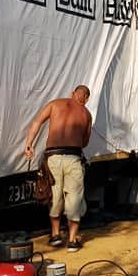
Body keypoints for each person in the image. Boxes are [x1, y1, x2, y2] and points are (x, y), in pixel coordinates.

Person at [24, 85, 92, 251]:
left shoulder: (55, 104)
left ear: (72, 93)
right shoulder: (86, 114)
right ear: (87, 98)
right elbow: (84, 142)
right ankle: (72, 240)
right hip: (73, 158)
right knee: (74, 197)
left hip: (53, 157)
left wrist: (29, 144)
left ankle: (55, 235)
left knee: (55, 196)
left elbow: (37, 122)